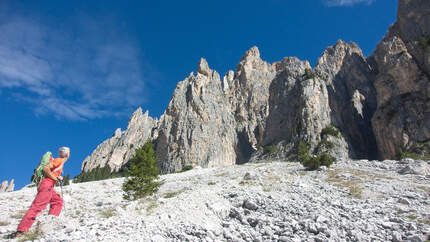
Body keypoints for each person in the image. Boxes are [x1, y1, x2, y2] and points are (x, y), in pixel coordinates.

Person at [8, 147, 70, 238]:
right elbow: (46, 169)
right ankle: (21, 231)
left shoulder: (59, 162)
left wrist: (57, 180)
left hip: (48, 186)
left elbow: (50, 173)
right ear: (68, 154)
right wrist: (55, 178)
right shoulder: (59, 160)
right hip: (46, 185)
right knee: (37, 206)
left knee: (58, 201)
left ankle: (50, 223)